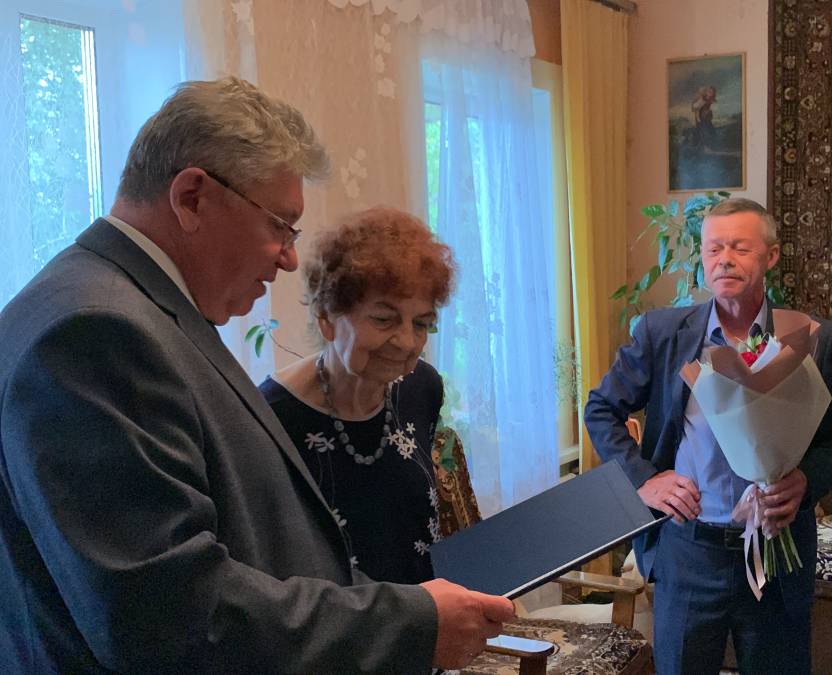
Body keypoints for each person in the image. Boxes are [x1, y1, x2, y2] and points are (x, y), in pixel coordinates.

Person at [0, 77, 512, 673]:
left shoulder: (127, 307)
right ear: (192, 197)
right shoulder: (96, 333)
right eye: (279, 225)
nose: (289, 258)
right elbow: (172, 616)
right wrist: (411, 624)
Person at [585, 197, 832, 674]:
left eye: (739, 248)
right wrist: (645, 480)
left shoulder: (813, 339)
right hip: (689, 551)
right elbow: (601, 409)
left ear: (770, 256)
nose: (724, 259)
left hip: (777, 554)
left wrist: (805, 481)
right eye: (713, 249)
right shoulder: (662, 332)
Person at [259, 207, 452, 587]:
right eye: (383, 319)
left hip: (430, 615)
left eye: (421, 323)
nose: (406, 342)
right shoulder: (270, 417)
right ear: (326, 317)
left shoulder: (422, 387)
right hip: (339, 623)